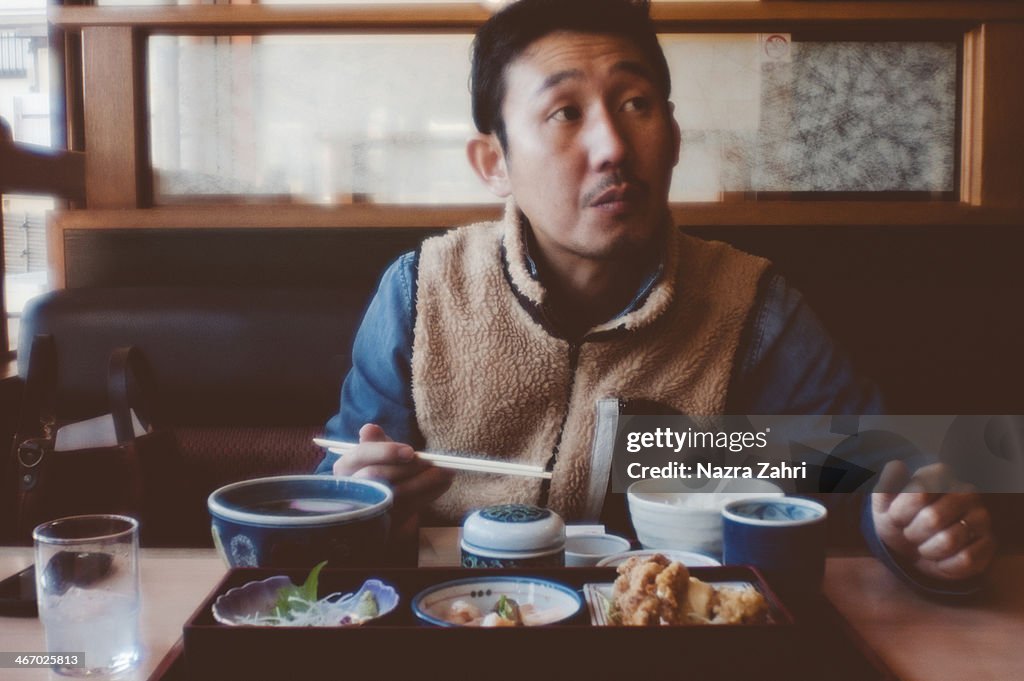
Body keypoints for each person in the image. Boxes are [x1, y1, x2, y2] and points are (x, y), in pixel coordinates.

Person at [317, 0, 995, 587]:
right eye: (564, 113)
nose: (612, 144)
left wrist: (913, 530)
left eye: (635, 104)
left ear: (671, 136)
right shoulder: (422, 290)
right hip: (461, 627)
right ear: (495, 163)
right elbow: (334, 501)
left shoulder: (751, 305)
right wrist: (362, 499)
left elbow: (870, 468)